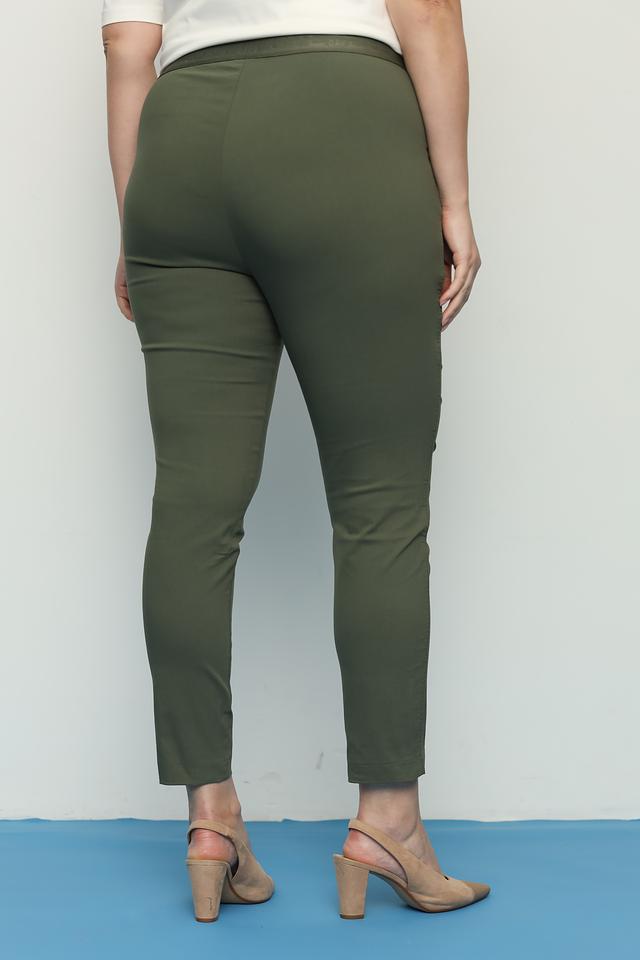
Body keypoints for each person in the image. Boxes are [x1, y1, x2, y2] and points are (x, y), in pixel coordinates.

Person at [101, 0, 488, 922]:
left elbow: (125, 47)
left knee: (192, 507)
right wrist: (456, 201)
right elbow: (427, 9)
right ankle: (388, 822)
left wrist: (138, 224)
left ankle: (211, 818)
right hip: (340, 126)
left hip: (179, 151)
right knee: (380, 504)